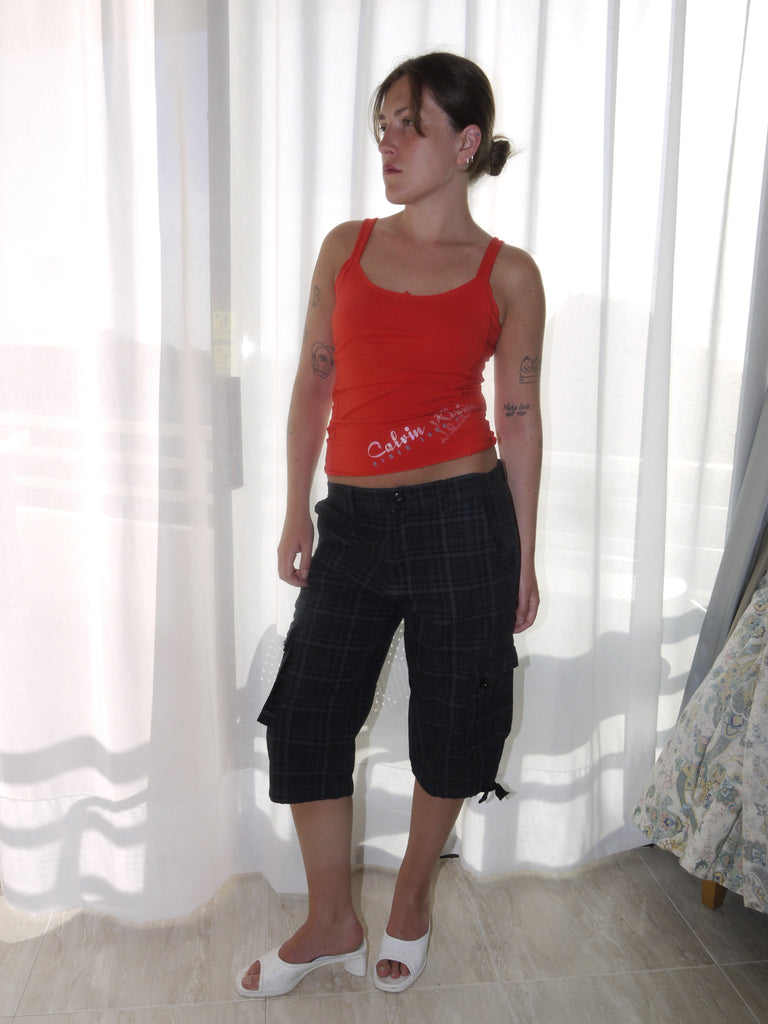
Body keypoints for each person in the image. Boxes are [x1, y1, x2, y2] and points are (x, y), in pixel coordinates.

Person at [236, 51, 545, 998]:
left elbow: (521, 419)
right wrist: (297, 507)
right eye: (383, 123)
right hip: (356, 526)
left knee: (456, 719)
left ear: (463, 143)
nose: (390, 140)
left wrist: (525, 558)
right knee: (309, 714)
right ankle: (331, 921)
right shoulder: (346, 247)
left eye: (410, 123)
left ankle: (411, 899)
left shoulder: (507, 275)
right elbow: (310, 386)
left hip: (464, 520)